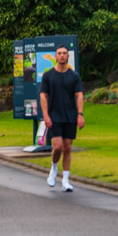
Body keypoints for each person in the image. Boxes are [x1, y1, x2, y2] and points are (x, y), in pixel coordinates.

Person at [39, 44, 85, 191]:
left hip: (70, 116)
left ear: (68, 56)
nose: (62, 56)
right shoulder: (48, 75)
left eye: (64, 53)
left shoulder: (74, 76)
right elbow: (43, 95)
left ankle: (65, 180)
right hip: (54, 116)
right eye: (59, 53)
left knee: (68, 147)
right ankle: (53, 169)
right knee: (57, 147)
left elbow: (79, 95)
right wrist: (45, 115)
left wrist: (80, 114)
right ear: (55, 56)